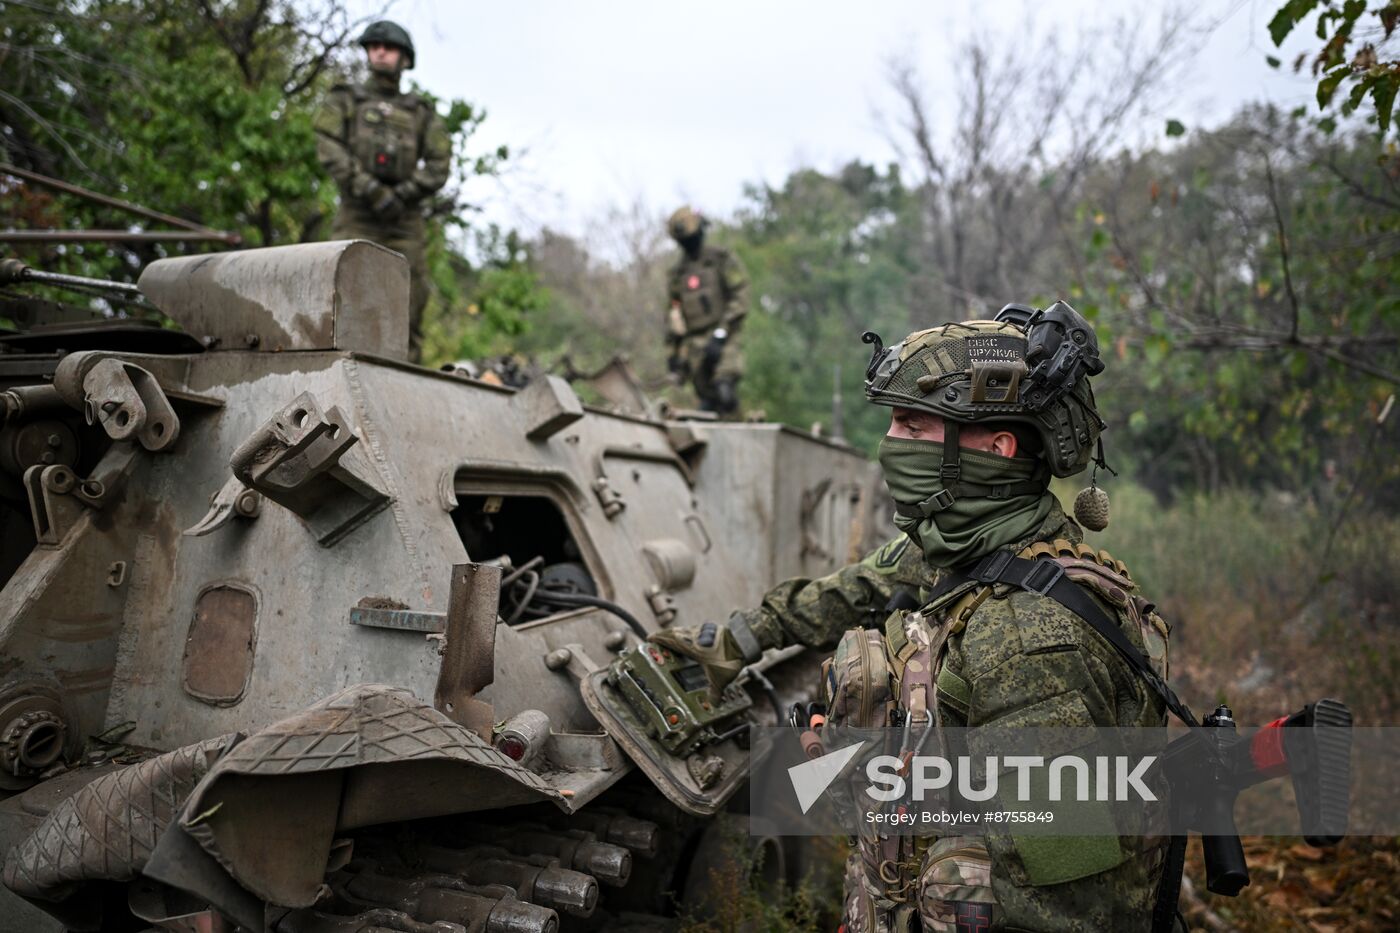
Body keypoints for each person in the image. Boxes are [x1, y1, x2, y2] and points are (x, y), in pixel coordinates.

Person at [653, 304, 1179, 931]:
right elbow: (850, 589)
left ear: (995, 447)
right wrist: (737, 640)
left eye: (911, 424)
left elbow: (1065, 910)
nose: (889, 445)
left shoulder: (1030, 647)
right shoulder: (963, 547)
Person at [314, 20, 451, 362]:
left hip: (404, 218)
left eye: (388, 47)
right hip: (358, 210)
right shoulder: (345, 99)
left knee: (411, 298)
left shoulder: (420, 112)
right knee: (341, 290)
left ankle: (407, 378)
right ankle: (334, 369)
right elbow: (328, 145)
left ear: (404, 58)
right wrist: (369, 189)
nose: (379, 51)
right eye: (373, 46)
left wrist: (403, 194)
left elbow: (439, 163)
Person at [664, 206, 750, 415]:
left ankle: (741, 434)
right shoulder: (677, 274)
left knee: (724, 389)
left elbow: (741, 294)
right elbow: (673, 315)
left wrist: (721, 334)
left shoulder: (720, 259)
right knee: (708, 401)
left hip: (725, 334)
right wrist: (674, 356)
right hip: (695, 344)